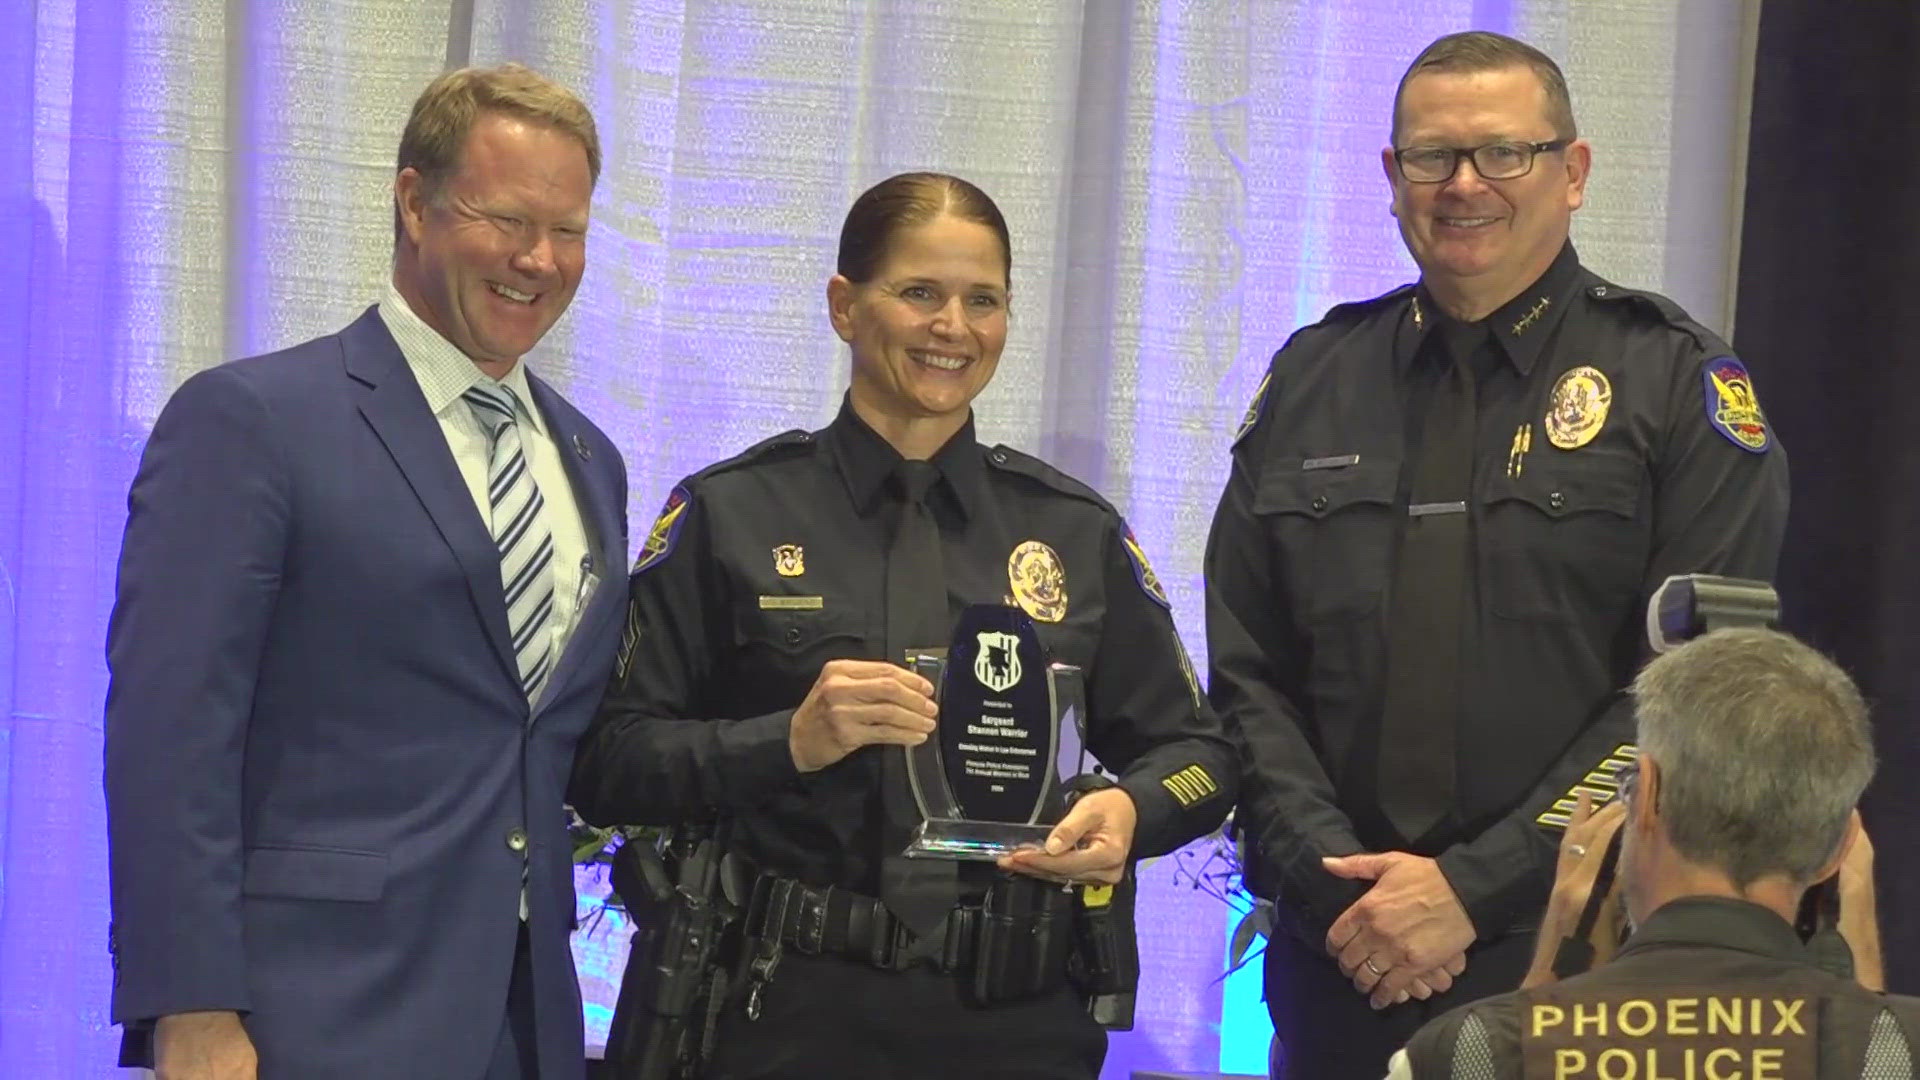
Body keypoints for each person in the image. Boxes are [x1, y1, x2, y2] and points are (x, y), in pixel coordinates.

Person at [1203, 30, 1791, 1079]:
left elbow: (1691, 702)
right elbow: (1250, 672)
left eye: (1503, 154)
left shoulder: (1674, 386)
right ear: (1392, 178)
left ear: (1572, 173)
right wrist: (1340, 889)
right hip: (1341, 962)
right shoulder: (1312, 378)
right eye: (1433, 157)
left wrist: (1473, 888)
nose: (1464, 184)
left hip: (1579, 973)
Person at [568, 171, 1237, 1080]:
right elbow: (607, 762)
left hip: (1019, 1019)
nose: (952, 327)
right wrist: (786, 742)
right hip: (789, 1012)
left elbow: (1202, 757)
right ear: (846, 306)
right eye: (919, 292)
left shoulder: (1073, 534)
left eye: (983, 300)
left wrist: (1130, 809)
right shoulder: (732, 515)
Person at [105, 64, 626, 1080]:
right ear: (413, 201)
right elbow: (171, 736)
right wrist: (191, 1005)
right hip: (309, 1017)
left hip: (529, 1023)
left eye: (568, 231)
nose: (538, 259)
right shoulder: (253, 422)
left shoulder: (591, 458)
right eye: (506, 218)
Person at [1388, 628, 1919, 1077]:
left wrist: (1546, 983)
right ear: (1840, 851)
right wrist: (1861, 981)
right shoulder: (1895, 1050)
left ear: (1646, 795)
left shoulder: (1467, 1053)